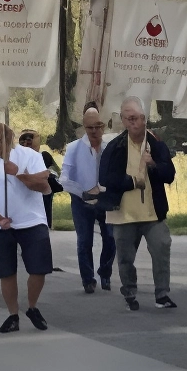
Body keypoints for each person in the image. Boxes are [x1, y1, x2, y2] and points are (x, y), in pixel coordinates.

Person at [97, 95, 178, 311]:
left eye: (137, 118)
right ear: (122, 120)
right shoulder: (114, 146)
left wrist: (153, 165)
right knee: (125, 257)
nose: (134, 123)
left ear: (144, 119)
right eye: (128, 118)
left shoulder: (156, 144)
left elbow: (170, 174)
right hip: (124, 213)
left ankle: (162, 294)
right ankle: (130, 293)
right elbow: (105, 179)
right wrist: (132, 182)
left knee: (162, 246)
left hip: (153, 212)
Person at [0, 124, 53, 334]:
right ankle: (13, 314)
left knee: (39, 268)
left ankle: (32, 306)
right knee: (6, 271)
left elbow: (44, 186)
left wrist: (18, 174)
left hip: (32, 221)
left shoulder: (29, 155)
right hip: (0, 224)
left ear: (2, 142)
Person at [60, 108, 115, 294]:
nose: (94, 130)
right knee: (84, 241)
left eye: (98, 126)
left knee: (111, 238)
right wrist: (82, 192)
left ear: (103, 126)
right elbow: (64, 179)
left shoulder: (110, 147)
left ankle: (105, 272)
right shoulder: (74, 148)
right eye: (90, 127)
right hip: (81, 200)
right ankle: (88, 279)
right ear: (84, 127)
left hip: (105, 200)